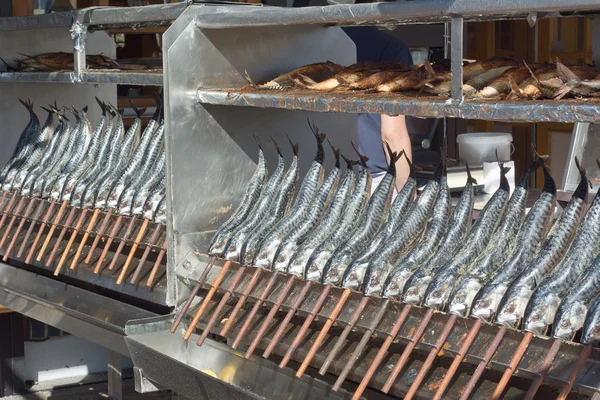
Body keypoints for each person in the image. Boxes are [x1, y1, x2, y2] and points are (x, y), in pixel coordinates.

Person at [343, 26, 413, 193]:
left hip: (321, 174)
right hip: (374, 181)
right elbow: (392, 133)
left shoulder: (314, 41)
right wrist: (407, 196)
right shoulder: (391, 49)